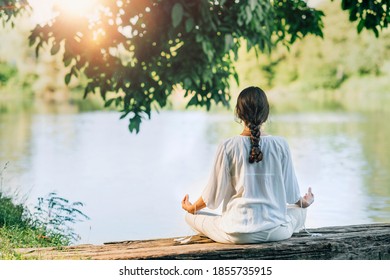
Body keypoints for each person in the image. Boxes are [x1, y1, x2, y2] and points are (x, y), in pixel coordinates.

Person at [181, 86, 314, 244]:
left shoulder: (227, 146)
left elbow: (213, 197)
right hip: (275, 232)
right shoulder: (281, 144)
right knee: (299, 211)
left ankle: (198, 216)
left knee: (190, 216)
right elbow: (292, 196)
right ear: (266, 113)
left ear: (238, 112)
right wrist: (305, 202)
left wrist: (192, 208)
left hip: (235, 234)